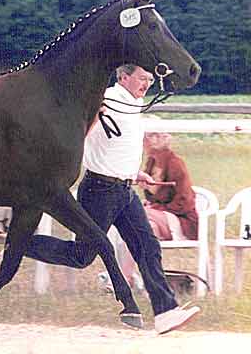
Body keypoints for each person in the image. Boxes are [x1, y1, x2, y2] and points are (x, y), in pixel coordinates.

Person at [24, 64, 200, 334]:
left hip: (125, 191)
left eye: (150, 81)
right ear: (123, 76)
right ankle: (20, 244)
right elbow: (78, 133)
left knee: (147, 247)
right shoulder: (103, 101)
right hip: (99, 191)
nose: (146, 85)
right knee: (82, 256)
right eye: (142, 79)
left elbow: (118, 146)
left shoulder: (133, 105)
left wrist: (135, 172)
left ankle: (166, 312)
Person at [100, 132, 199, 293]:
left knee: (135, 217)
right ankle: (127, 277)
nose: (145, 139)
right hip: (159, 219)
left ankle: (124, 279)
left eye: (152, 135)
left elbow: (185, 201)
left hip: (181, 220)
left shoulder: (175, 163)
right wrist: (151, 201)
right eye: (146, 135)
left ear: (162, 139)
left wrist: (157, 208)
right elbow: (155, 197)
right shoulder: (152, 163)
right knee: (141, 228)